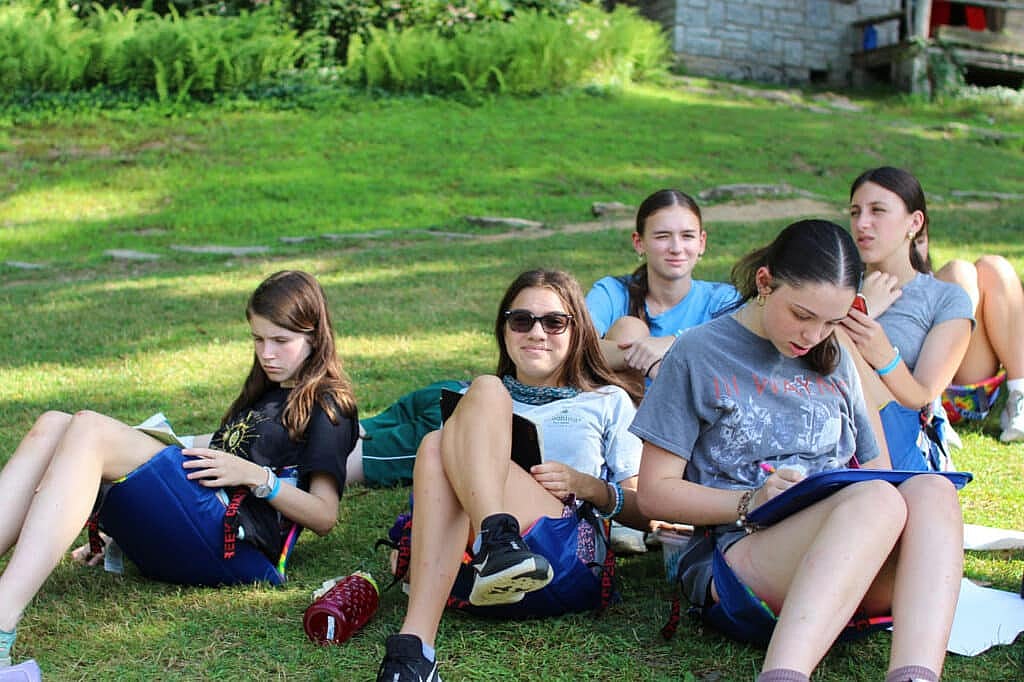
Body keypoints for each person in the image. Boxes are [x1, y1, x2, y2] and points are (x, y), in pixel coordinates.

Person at [633, 219, 963, 682]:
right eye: (803, 316)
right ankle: (785, 673)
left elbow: (877, 470)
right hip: (741, 556)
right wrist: (750, 501)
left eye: (831, 322)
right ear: (765, 283)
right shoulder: (698, 352)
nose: (813, 336)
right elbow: (654, 493)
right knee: (877, 500)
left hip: (847, 556)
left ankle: (915, 675)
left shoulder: (835, 353)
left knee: (932, 490)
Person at [0, 270, 358, 677]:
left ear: (314, 336)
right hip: (197, 515)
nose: (266, 354)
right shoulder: (266, 390)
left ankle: (1, 624)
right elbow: (219, 449)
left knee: (89, 427)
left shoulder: (330, 404)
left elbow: (325, 515)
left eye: (281, 341)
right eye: (258, 339)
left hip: (236, 544)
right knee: (53, 424)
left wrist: (259, 477)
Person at [376, 269, 647, 682]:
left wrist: (585, 485)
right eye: (521, 320)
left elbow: (644, 511)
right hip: (475, 574)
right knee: (443, 434)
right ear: (504, 331)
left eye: (554, 322)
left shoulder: (607, 401)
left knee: (475, 400)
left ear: (577, 330)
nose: (536, 332)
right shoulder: (474, 404)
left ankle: (496, 542)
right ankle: (415, 650)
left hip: (564, 557)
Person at [842, 167, 974, 470]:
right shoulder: (836, 285)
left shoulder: (946, 299)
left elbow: (923, 394)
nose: (862, 223)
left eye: (877, 211)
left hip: (900, 440)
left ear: (914, 222)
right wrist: (863, 306)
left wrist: (882, 354)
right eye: (855, 212)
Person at [585, 189, 739, 383]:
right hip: (628, 408)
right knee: (629, 327)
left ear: (702, 243)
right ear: (639, 243)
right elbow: (576, 346)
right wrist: (644, 355)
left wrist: (673, 343)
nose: (676, 248)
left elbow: (745, 347)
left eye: (687, 236)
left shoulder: (723, 299)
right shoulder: (611, 292)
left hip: (699, 407)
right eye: (662, 236)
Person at [911, 225, 1024, 442]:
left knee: (994, 266)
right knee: (958, 271)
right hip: (917, 392)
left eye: (919, 240)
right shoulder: (870, 283)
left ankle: (1020, 397)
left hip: (968, 393)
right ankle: (932, 412)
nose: (912, 249)